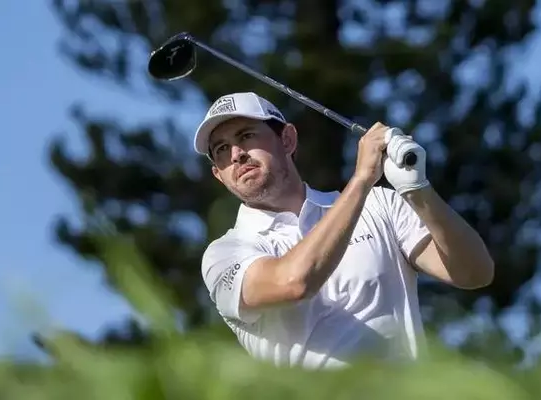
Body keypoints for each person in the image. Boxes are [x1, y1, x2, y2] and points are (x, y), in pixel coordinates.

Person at [196, 92, 494, 369]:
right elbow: (294, 282)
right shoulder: (224, 253)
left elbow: (475, 273)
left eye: (246, 136)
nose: (236, 154)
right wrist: (362, 179)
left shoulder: (379, 204)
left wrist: (417, 190)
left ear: (287, 139)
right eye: (221, 149)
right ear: (218, 175)